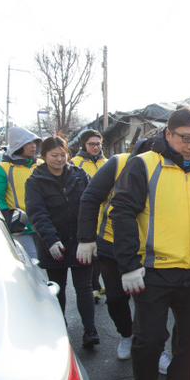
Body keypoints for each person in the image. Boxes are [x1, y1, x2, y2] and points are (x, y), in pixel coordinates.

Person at [110, 106, 190, 380]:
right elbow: (122, 214)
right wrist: (128, 265)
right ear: (168, 133)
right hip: (153, 273)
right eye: (186, 138)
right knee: (149, 339)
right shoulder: (143, 165)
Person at [77, 139, 154, 361]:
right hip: (111, 245)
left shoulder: (166, 169)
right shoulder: (118, 163)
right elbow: (91, 197)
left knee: (151, 301)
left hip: (150, 248)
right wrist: (86, 238)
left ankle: (153, 346)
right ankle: (126, 334)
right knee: (116, 298)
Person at [24, 136, 99, 348]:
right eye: (54, 155)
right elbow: (37, 214)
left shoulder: (80, 175)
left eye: (63, 155)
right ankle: (60, 327)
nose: (59, 159)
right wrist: (50, 240)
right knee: (58, 287)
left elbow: (90, 206)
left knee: (84, 287)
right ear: (44, 156)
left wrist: (88, 237)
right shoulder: (34, 181)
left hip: (79, 241)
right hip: (53, 244)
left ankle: (90, 329)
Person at [0, 126, 42, 260]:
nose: (33, 146)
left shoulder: (42, 164)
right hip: (22, 230)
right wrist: (9, 218)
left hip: (46, 226)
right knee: (34, 268)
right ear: (18, 145)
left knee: (51, 270)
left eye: (35, 142)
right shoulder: (1, 169)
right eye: (28, 143)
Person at [72, 129, 107, 303]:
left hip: (105, 216)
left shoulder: (107, 162)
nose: (95, 147)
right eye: (91, 144)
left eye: (98, 144)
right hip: (86, 215)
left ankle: (96, 282)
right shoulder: (75, 163)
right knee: (89, 252)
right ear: (84, 145)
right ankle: (91, 286)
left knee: (100, 254)